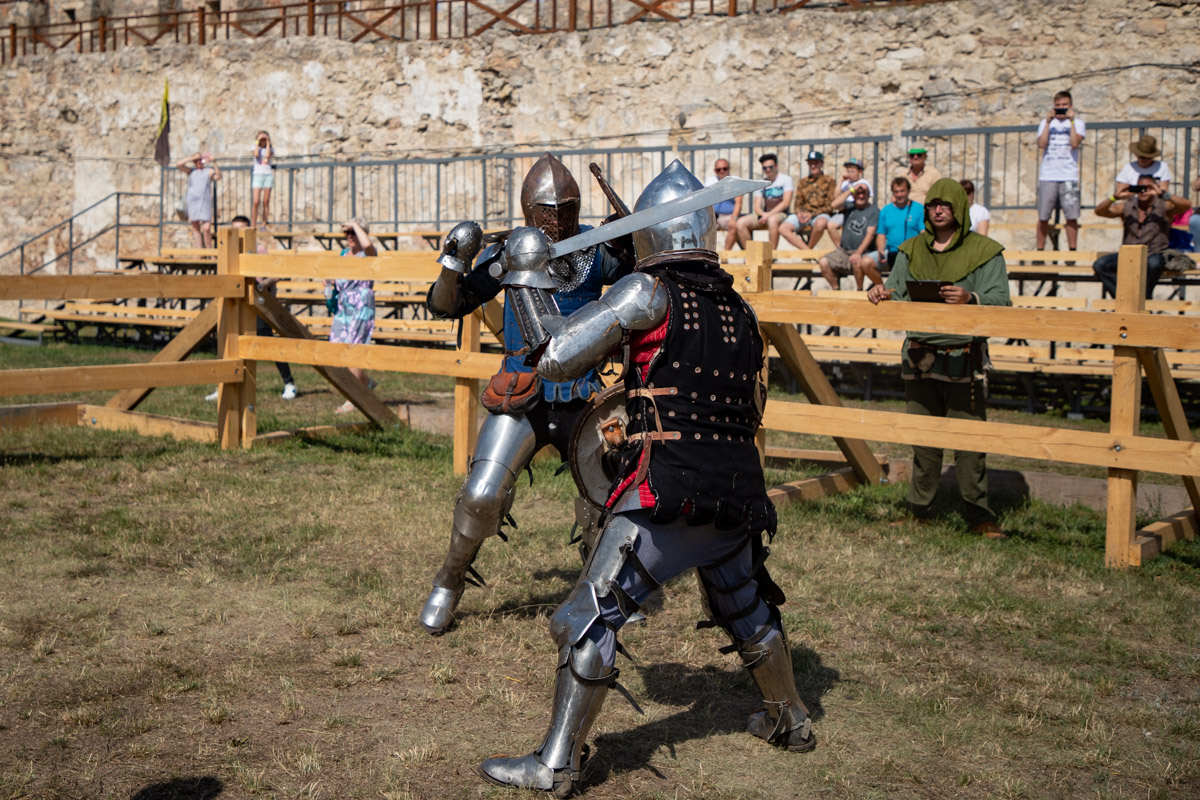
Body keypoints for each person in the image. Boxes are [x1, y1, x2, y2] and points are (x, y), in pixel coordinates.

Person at [478, 160, 815, 797]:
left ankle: (556, 764)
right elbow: (752, 405)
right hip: (737, 492)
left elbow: (555, 358)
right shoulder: (739, 308)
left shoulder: (645, 293)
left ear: (652, 232)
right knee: (746, 606)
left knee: (584, 617)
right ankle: (791, 719)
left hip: (667, 494)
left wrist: (526, 275)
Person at [418, 153, 634, 636]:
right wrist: (453, 263)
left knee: (607, 497)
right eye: (547, 211)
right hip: (522, 390)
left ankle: (599, 590)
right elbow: (447, 305)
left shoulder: (595, 252)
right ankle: (449, 579)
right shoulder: (508, 254)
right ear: (529, 210)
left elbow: (639, 282)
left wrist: (631, 242)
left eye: (566, 209)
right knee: (482, 493)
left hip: (583, 393)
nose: (557, 220)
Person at [866, 178, 1010, 538]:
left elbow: (1001, 302)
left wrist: (970, 298)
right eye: (932, 204)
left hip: (964, 358)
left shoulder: (986, 251)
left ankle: (979, 516)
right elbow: (898, 294)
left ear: (959, 207)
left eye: (946, 204)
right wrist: (882, 292)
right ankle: (919, 511)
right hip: (919, 356)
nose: (939, 209)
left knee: (969, 443)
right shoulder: (911, 249)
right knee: (923, 440)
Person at [204, 215, 296, 402]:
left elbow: (275, 275)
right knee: (227, 342)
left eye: (242, 229)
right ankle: (223, 386)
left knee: (267, 343)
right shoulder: (227, 251)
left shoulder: (259, 249)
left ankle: (289, 383)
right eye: (235, 228)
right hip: (234, 303)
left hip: (256, 304)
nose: (238, 232)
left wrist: (261, 285)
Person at [1092, 175, 1191, 299]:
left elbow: (1186, 205)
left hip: (1155, 253)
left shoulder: (1164, 205)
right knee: (1100, 264)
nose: (1143, 191)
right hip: (1130, 254)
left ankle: (1145, 298)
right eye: (1140, 188)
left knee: (1154, 263)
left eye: (1147, 188)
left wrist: (1162, 193)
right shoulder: (1127, 206)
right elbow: (1099, 212)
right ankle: (1124, 298)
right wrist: (1114, 197)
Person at [327, 218, 377, 413]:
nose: (349, 236)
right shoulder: (343, 254)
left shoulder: (368, 254)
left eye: (353, 233)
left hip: (361, 305)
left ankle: (353, 399)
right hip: (343, 307)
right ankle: (367, 383)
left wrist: (355, 224)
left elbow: (368, 245)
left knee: (353, 350)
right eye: (346, 233)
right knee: (337, 350)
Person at [1035, 91, 1085, 251]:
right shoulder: (1046, 123)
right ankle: (1040, 251)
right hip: (1048, 175)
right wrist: (1048, 122)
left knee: (1071, 215)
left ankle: (1072, 251)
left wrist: (1071, 121)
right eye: (1058, 105)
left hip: (1068, 175)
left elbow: (1075, 143)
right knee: (1043, 216)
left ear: (1071, 106)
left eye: (1064, 105)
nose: (1061, 108)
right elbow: (1042, 144)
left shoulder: (1078, 123)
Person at [818, 185, 881, 290]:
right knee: (823, 262)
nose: (861, 196)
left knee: (856, 261)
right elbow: (834, 204)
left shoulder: (874, 210)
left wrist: (858, 252)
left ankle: (859, 290)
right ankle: (836, 289)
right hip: (844, 252)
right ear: (854, 195)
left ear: (868, 195)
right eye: (858, 194)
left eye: (864, 193)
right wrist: (851, 190)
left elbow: (870, 234)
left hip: (863, 251)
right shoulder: (849, 207)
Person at [780, 150, 837, 251]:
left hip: (820, 214)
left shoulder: (829, 181)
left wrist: (812, 214)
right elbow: (798, 202)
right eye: (810, 163)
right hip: (803, 215)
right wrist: (799, 213)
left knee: (821, 223)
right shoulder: (803, 182)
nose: (813, 166)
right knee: (783, 228)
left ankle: (807, 252)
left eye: (816, 163)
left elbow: (830, 206)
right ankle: (807, 251)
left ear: (822, 164)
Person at [734, 153, 793, 249]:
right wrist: (762, 214)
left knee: (772, 220)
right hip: (765, 214)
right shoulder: (761, 183)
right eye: (765, 168)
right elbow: (757, 206)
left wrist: (768, 215)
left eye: (770, 167)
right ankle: (751, 253)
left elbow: (786, 203)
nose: (768, 170)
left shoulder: (785, 179)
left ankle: (771, 254)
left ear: (776, 166)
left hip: (781, 214)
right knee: (740, 223)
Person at [813, 157, 873, 249]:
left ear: (860, 172)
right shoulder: (845, 183)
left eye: (852, 171)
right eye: (848, 171)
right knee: (831, 225)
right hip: (844, 210)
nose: (850, 174)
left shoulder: (864, 182)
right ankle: (841, 248)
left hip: (856, 210)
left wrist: (851, 190)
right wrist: (841, 180)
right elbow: (836, 198)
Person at [875, 176, 924, 271]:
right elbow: (881, 233)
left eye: (902, 191)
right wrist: (880, 249)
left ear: (908, 191)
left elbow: (923, 232)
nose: (899, 195)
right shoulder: (885, 210)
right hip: (892, 252)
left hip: (912, 253)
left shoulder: (919, 209)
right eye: (896, 192)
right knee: (866, 262)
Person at [177, 152, 220, 248]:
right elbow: (179, 164)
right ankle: (199, 252)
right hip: (193, 202)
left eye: (200, 160)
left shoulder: (208, 171)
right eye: (196, 160)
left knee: (207, 228)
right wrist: (192, 158)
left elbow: (218, 176)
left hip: (205, 202)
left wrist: (214, 162)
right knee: (196, 228)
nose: (199, 162)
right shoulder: (191, 171)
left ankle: (209, 252)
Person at [704, 158, 743, 250]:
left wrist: (734, 218)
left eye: (724, 168)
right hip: (714, 216)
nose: (722, 171)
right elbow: (705, 202)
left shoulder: (735, 181)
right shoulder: (710, 182)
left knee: (735, 225)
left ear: (729, 168)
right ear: (715, 171)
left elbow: (739, 202)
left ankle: (725, 255)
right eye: (719, 169)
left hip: (729, 216)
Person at [251, 131, 274, 229]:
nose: (263, 140)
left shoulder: (270, 149)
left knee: (266, 201)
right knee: (256, 201)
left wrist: (268, 143)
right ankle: (253, 224)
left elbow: (268, 155)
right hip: (257, 175)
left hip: (267, 175)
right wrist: (257, 142)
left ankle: (264, 223)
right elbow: (256, 154)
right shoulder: (255, 148)